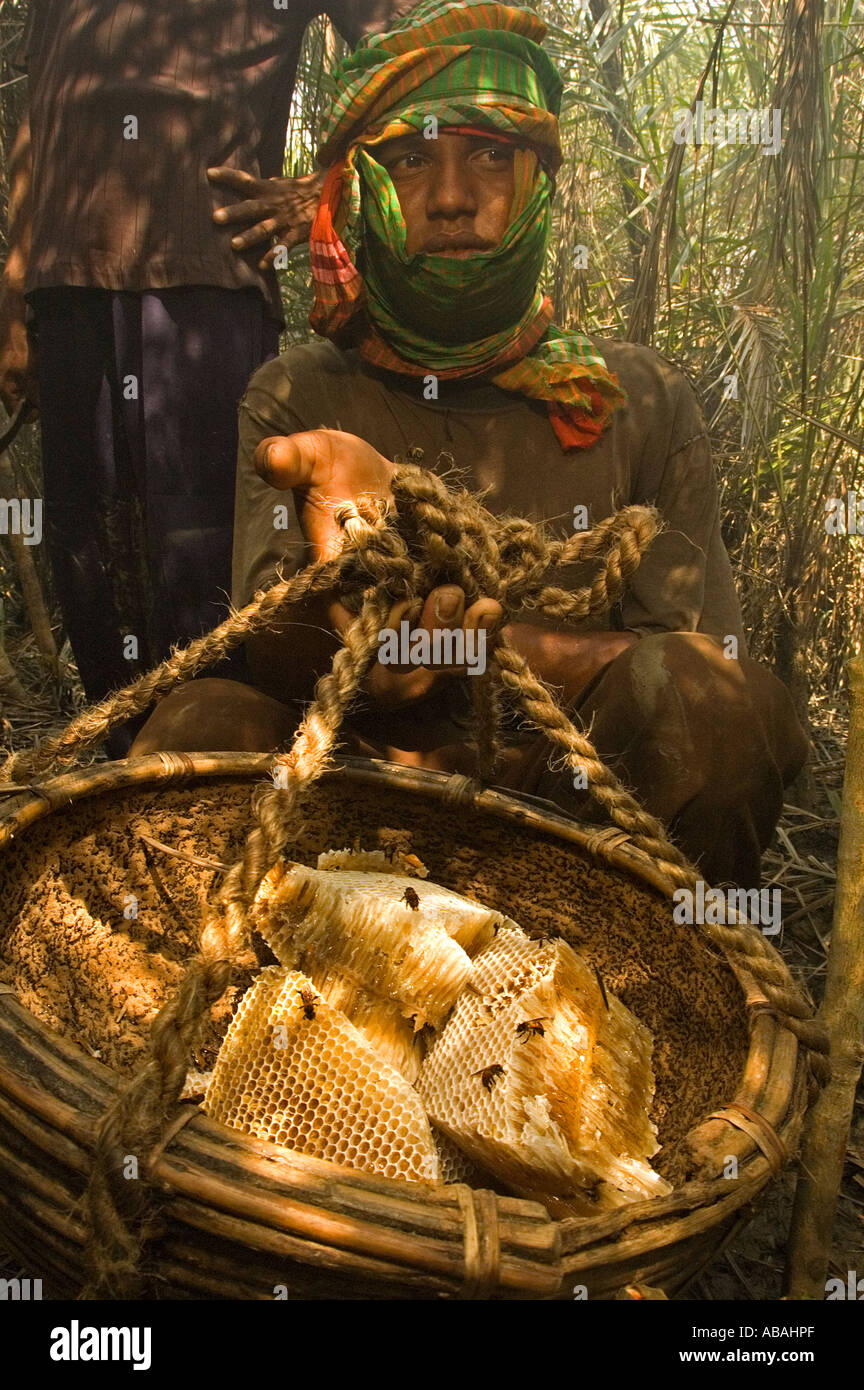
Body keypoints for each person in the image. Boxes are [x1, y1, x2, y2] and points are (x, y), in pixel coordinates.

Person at [131, 0, 808, 889]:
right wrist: (355, 640)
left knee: (722, 714)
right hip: (353, 787)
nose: (451, 196)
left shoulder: (637, 399)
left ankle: (657, 969)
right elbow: (270, 647)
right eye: (409, 160)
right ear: (363, 189)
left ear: (539, 180)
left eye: (491, 153)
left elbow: (693, 668)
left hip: (576, 809)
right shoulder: (299, 393)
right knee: (196, 725)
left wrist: (473, 652)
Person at [0, 0, 417, 739]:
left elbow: (417, 49)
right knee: (87, 552)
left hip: (206, 277)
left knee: (205, 560)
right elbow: (42, 110)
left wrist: (331, 185)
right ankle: (119, 776)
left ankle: (212, 776)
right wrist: (12, 290)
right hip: (65, 291)